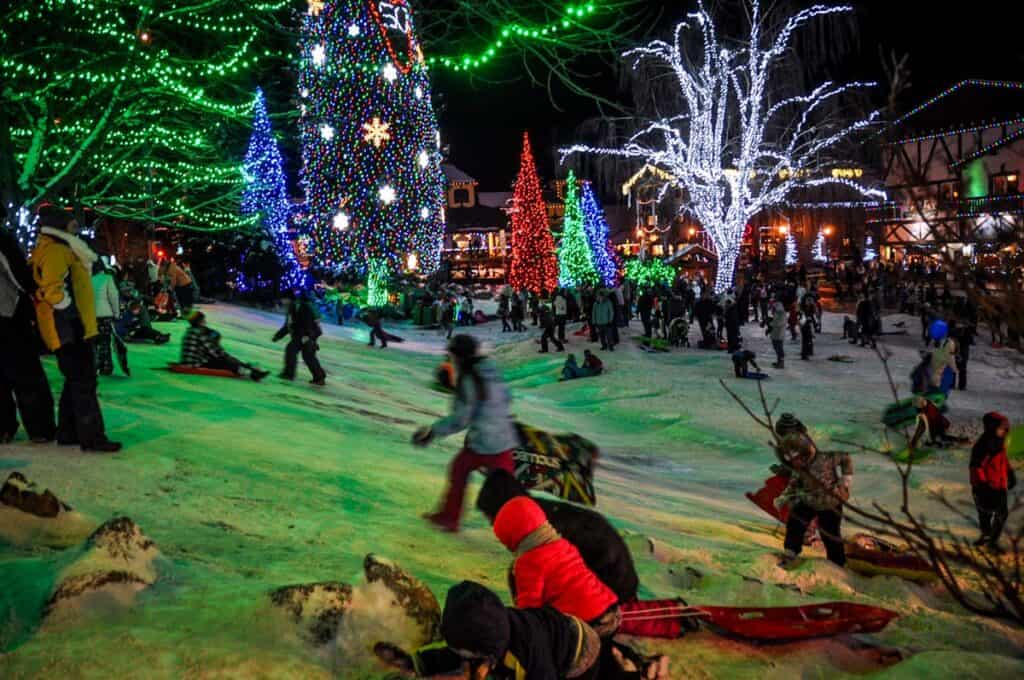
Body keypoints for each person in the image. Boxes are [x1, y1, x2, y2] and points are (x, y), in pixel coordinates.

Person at [30, 211, 121, 453]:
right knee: (84, 381)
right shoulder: (57, 251)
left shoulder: (57, 248)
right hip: (67, 329)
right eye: (71, 225)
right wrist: (72, 314)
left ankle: (69, 432)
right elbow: (52, 290)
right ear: (59, 226)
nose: (75, 229)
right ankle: (92, 437)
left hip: (68, 327)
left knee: (76, 379)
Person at [413, 335, 519, 532]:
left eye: (451, 355)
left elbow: (462, 418)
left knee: (459, 470)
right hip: (504, 437)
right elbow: (507, 397)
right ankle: (520, 530)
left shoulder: (469, 378)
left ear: (458, 355)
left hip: (484, 441)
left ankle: (450, 517)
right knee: (507, 490)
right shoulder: (490, 369)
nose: (450, 359)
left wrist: (433, 432)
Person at [493, 495, 621, 636]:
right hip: (611, 611)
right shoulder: (563, 544)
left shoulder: (528, 562)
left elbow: (529, 610)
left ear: (513, 538)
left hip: (584, 625)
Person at [1, 227, 55, 444]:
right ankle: (40, 427)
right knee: (26, 372)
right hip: (7, 313)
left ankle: (3, 427)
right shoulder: (3, 240)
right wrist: (35, 289)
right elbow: (18, 274)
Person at [776, 434, 852, 568]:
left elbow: (846, 457)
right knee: (795, 522)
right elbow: (793, 484)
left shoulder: (825, 459)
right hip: (808, 501)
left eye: (796, 458)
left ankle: (838, 563)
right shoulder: (798, 468)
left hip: (830, 503)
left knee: (829, 533)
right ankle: (790, 552)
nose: (794, 463)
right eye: (791, 460)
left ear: (804, 453)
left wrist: (846, 480)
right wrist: (783, 497)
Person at [970, 413, 1014, 553]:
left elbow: (1003, 460)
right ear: (991, 427)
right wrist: (983, 485)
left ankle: (991, 540)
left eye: (1005, 429)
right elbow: (976, 467)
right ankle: (987, 536)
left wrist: (1010, 473)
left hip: (999, 485)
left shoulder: (999, 442)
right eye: (1001, 428)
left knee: (1001, 513)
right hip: (985, 486)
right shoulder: (984, 445)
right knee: (985, 513)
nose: (1004, 431)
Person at [180, 311, 268, 381]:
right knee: (227, 362)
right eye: (203, 320)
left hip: (188, 361)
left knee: (227, 360)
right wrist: (226, 357)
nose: (205, 322)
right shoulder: (199, 333)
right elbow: (214, 351)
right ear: (199, 321)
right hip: (196, 363)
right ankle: (251, 372)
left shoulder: (190, 331)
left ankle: (248, 368)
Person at [273, 290, 326, 385]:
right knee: (307, 355)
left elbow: (307, 322)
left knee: (292, 350)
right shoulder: (293, 308)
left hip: (306, 334)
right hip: (305, 334)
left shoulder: (300, 307)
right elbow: (288, 326)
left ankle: (289, 374)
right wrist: (278, 336)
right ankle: (319, 377)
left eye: (283, 299)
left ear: (288, 299)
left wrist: (307, 336)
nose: (282, 301)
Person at [91, 261, 127, 376]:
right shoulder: (107, 278)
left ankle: (93, 365)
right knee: (104, 341)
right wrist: (116, 313)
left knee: (93, 342)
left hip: (90, 316)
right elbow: (113, 296)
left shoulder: (87, 279)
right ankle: (105, 366)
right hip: (104, 314)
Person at [768, 300, 786, 369]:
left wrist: (771, 323)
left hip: (779, 334)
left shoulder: (782, 314)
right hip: (775, 333)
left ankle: (781, 363)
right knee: (776, 347)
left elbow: (779, 323)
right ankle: (779, 361)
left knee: (779, 348)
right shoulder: (776, 313)